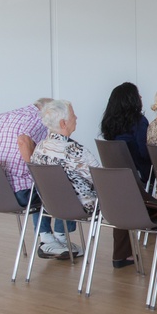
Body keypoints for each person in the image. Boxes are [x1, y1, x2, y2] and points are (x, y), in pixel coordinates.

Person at [0, 98, 73, 259]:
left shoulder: (2, 117)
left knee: (40, 184)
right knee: (58, 185)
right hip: (18, 195)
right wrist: (37, 172)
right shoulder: (39, 118)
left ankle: (50, 239)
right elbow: (23, 141)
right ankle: (56, 239)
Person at [100, 82, 157, 268]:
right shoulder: (139, 121)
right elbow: (144, 152)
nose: (141, 98)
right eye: (139, 95)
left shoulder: (108, 122)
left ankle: (122, 255)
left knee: (123, 202)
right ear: (132, 100)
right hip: (139, 177)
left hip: (117, 179)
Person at [31, 100, 100, 259]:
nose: (76, 117)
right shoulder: (76, 151)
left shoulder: (39, 147)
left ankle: (59, 242)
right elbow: (100, 179)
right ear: (63, 123)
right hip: (81, 206)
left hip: (49, 206)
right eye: (73, 115)